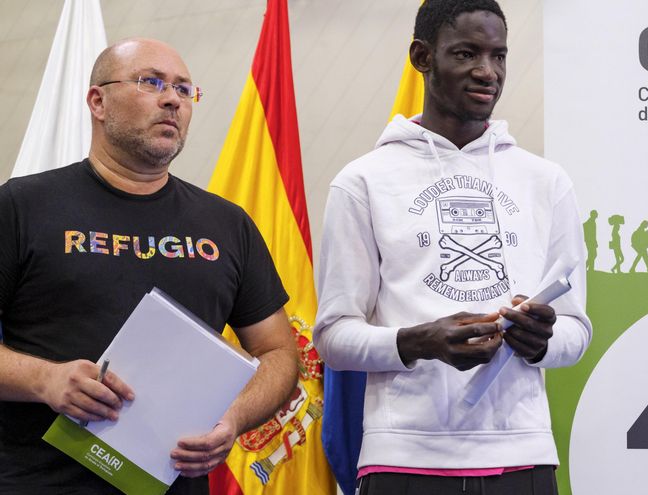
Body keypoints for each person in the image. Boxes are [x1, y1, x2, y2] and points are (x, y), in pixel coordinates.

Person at [313, 1, 591, 494]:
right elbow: (333, 338)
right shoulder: (363, 182)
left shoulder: (546, 182)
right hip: (403, 459)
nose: (488, 72)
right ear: (422, 57)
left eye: (499, 55)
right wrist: (420, 342)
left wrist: (543, 340)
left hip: (522, 456)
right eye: (467, 53)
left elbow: (575, 332)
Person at [0, 38, 299, 494]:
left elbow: (278, 352)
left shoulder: (227, 224)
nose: (172, 99)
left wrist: (234, 417)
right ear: (97, 101)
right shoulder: (22, 205)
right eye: (151, 82)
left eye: (184, 89)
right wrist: (45, 379)